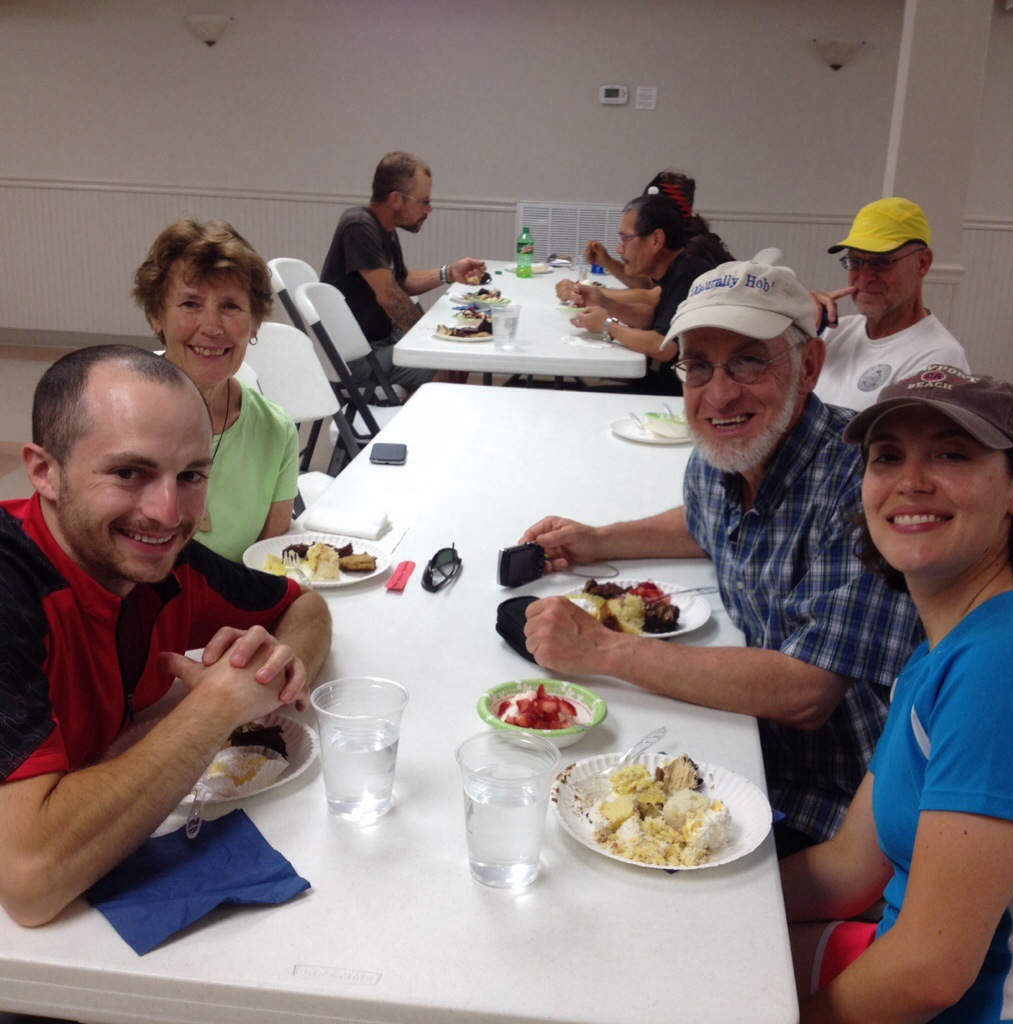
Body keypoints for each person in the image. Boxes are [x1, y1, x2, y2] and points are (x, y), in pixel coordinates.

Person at [521, 262, 921, 855]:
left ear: (810, 366)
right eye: (699, 366)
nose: (719, 393)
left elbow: (807, 691)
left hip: (839, 801)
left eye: (748, 362)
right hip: (743, 742)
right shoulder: (727, 450)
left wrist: (602, 649)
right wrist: (599, 540)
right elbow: (705, 521)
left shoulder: (860, 486)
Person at [0, 346, 332, 927]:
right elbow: (30, 882)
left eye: (191, 476)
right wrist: (217, 706)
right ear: (45, 472)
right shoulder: (12, 587)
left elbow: (306, 606)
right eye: (130, 473)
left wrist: (277, 668)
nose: (169, 513)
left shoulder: (166, 562)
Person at [782, 366, 1013, 1023]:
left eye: (952, 454)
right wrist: (710, 896)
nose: (911, 482)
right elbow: (849, 870)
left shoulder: (1004, 663)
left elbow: (930, 973)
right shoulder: (942, 651)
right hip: (898, 958)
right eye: (887, 456)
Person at [133, 219, 299, 562]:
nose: (211, 327)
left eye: (230, 307)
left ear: (254, 323)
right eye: (190, 304)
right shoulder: (116, 417)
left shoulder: (275, 431)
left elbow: (266, 564)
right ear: (157, 316)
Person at [320, 151, 487, 390]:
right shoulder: (358, 225)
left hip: (382, 340)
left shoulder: (385, 230)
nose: (429, 209)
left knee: (458, 355)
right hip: (358, 356)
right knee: (447, 360)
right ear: (396, 199)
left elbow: (401, 281)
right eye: (424, 201)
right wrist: (431, 339)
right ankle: (419, 413)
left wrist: (449, 272)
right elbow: (389, 296)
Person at [812, 197, 968, 411]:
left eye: (882, 262)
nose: (864, 278)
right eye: (856, 262)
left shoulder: (939, 360)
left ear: (922, 264)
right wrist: (792, 329)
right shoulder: (830, 332)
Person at [566, 193, 732, 395]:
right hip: (669, 381)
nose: (619, 249)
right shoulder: (679, 265)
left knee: (582, 397)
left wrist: (608, 326)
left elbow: (664, 347)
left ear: (656, 240)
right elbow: (653, 319)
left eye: (626, 239)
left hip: (681, 395)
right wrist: (603, 302)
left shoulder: (688, 272)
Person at [553, 170, 729, 296]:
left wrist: (587, 292)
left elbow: (652, 299)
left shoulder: (690, 255)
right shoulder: (679, 242)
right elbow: (648, 284)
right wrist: (607, 262)